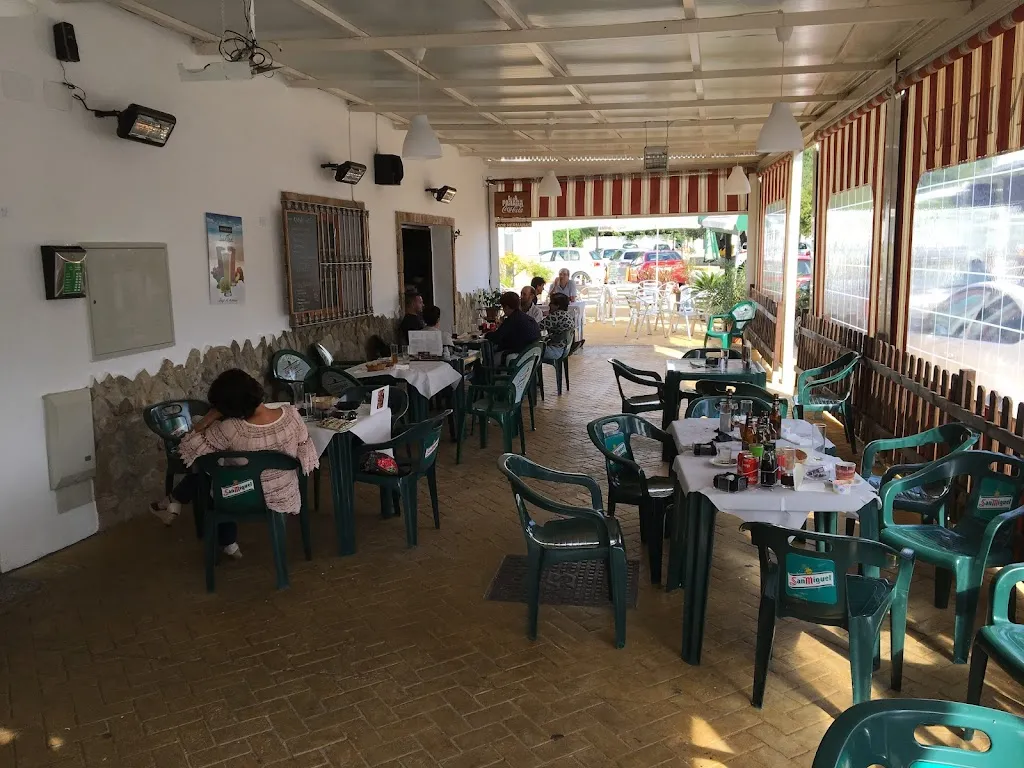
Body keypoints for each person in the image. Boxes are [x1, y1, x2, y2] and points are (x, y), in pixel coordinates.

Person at [149, 369, 318, 558]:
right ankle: (179, 506)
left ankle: (217, 534)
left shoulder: (230, 429)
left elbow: (187, 447)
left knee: (214, 475)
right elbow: (306, 455)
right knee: (220, 472)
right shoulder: (292, 415)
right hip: (285, 494)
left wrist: (209, 418)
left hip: (242, 496)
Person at [540, 293, 575, 388]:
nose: (549, 305)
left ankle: (532, 385)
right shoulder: (567, 315)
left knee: (530, 353)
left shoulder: (556, 315)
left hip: (555, 351)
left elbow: (537, 327)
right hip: (564, 350)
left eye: (551, 303)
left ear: (557, 305)